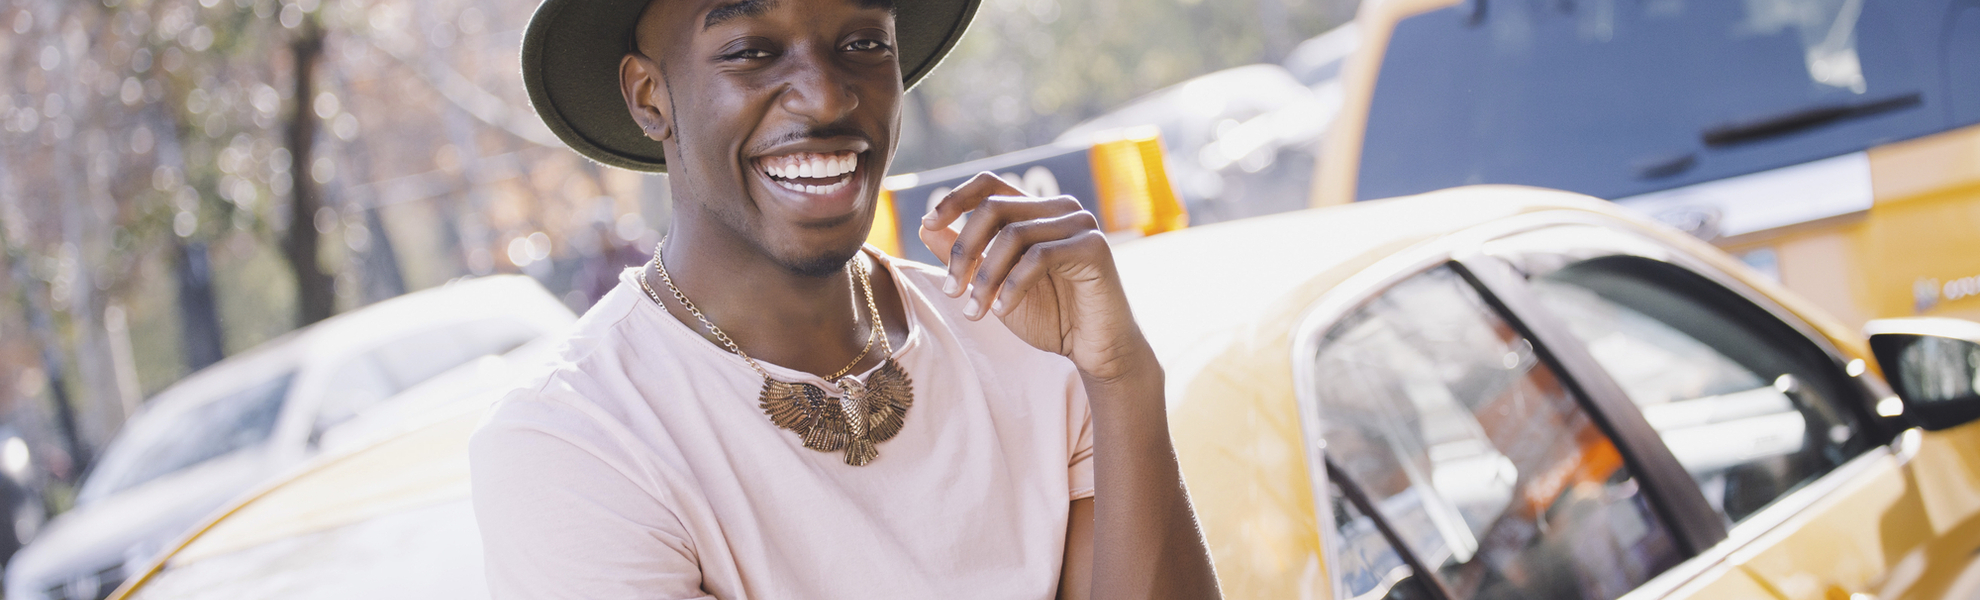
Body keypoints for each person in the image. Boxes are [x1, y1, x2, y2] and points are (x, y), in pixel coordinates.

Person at [469, 0, 1221, 597]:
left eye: (864, 43)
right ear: (648, 96)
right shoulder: (577, 443)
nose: (827, 95)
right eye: (750, 50)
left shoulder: (1028, 337)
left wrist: (1123, 377)